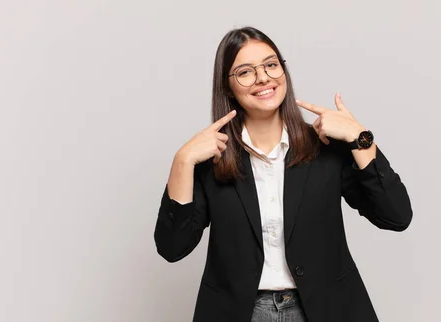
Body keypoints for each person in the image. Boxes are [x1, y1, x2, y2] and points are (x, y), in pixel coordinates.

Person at [154, 26, 413, 322]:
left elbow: (396, 215)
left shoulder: (326, 149)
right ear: (227, 87)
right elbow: (172, 248)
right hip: (241, 313)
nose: (263, 77)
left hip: (325, 309)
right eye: (245, 72)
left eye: (271, 64)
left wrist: (359, 137)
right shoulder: (210, 159)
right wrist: (182, 161)